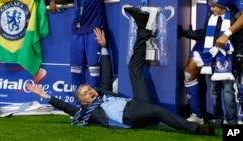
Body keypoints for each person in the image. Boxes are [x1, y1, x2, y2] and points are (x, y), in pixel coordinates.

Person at [25, 7, 215, 135]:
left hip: (135, 105)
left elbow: (106, 74)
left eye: (88, 89)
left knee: (134, 68)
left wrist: (104, 47)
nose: (91, 91)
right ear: (83, 101)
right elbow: (67, 108)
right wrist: (44, 95)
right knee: (157, 111)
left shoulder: (103, 93)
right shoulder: (88, 112)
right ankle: (196, 130)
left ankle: (143, 29)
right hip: (128, 116)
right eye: (86, 93)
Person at [179, 0, 241, 127]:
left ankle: (232, 120)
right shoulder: (210, 16)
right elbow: (204, 33)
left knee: (228, 91)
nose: (210, 7)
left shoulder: (233, 14)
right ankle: (206, 116)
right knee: (211, 89)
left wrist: (238, 55)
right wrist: (186, 33)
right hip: (209, 49)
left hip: (226, 53)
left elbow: (240, 30)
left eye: (213, 5)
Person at [48, 0, 108, 91]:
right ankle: (77, 99)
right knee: (75, 68)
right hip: (77, 30)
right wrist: (53, 1)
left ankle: (94, 101)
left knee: (94, 68)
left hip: (94, 29)